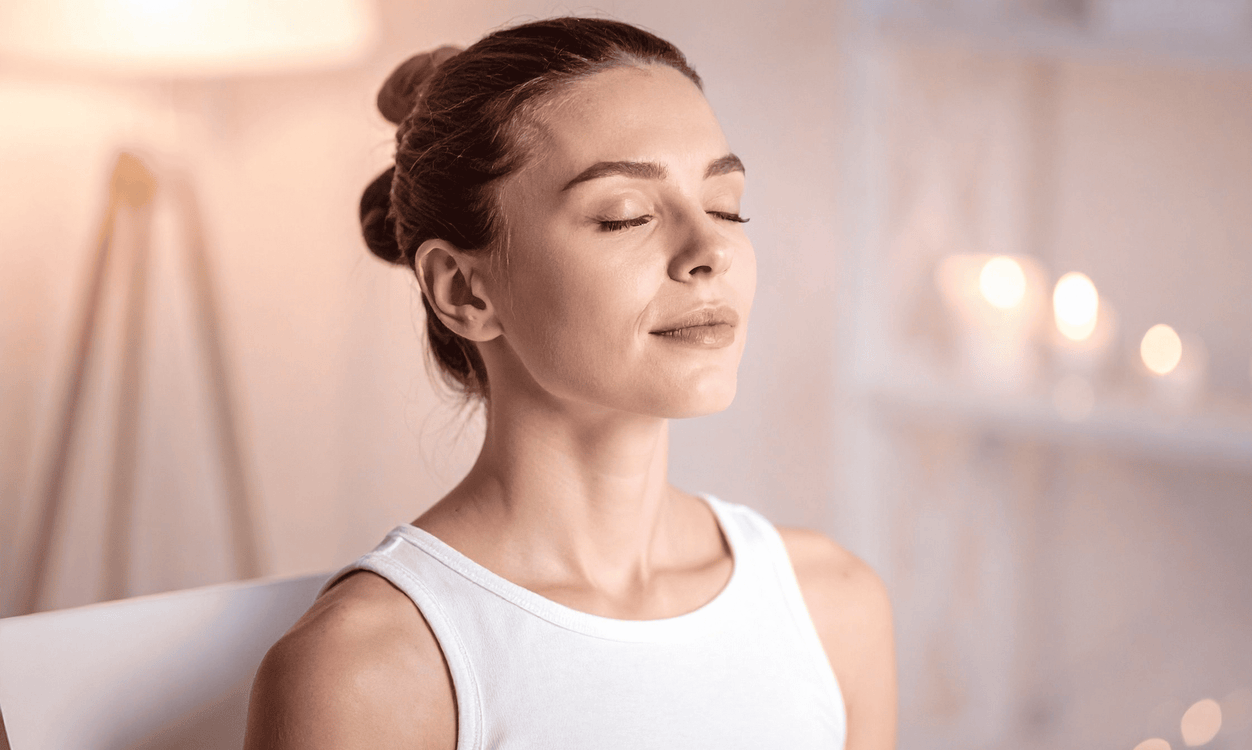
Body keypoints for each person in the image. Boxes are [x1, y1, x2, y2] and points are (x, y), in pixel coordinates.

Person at [244, 16, 897, 750]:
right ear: (463, 290)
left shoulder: (832, 607)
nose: (710, 247)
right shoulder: (373, 671)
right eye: (625, 217)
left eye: (725, 205)